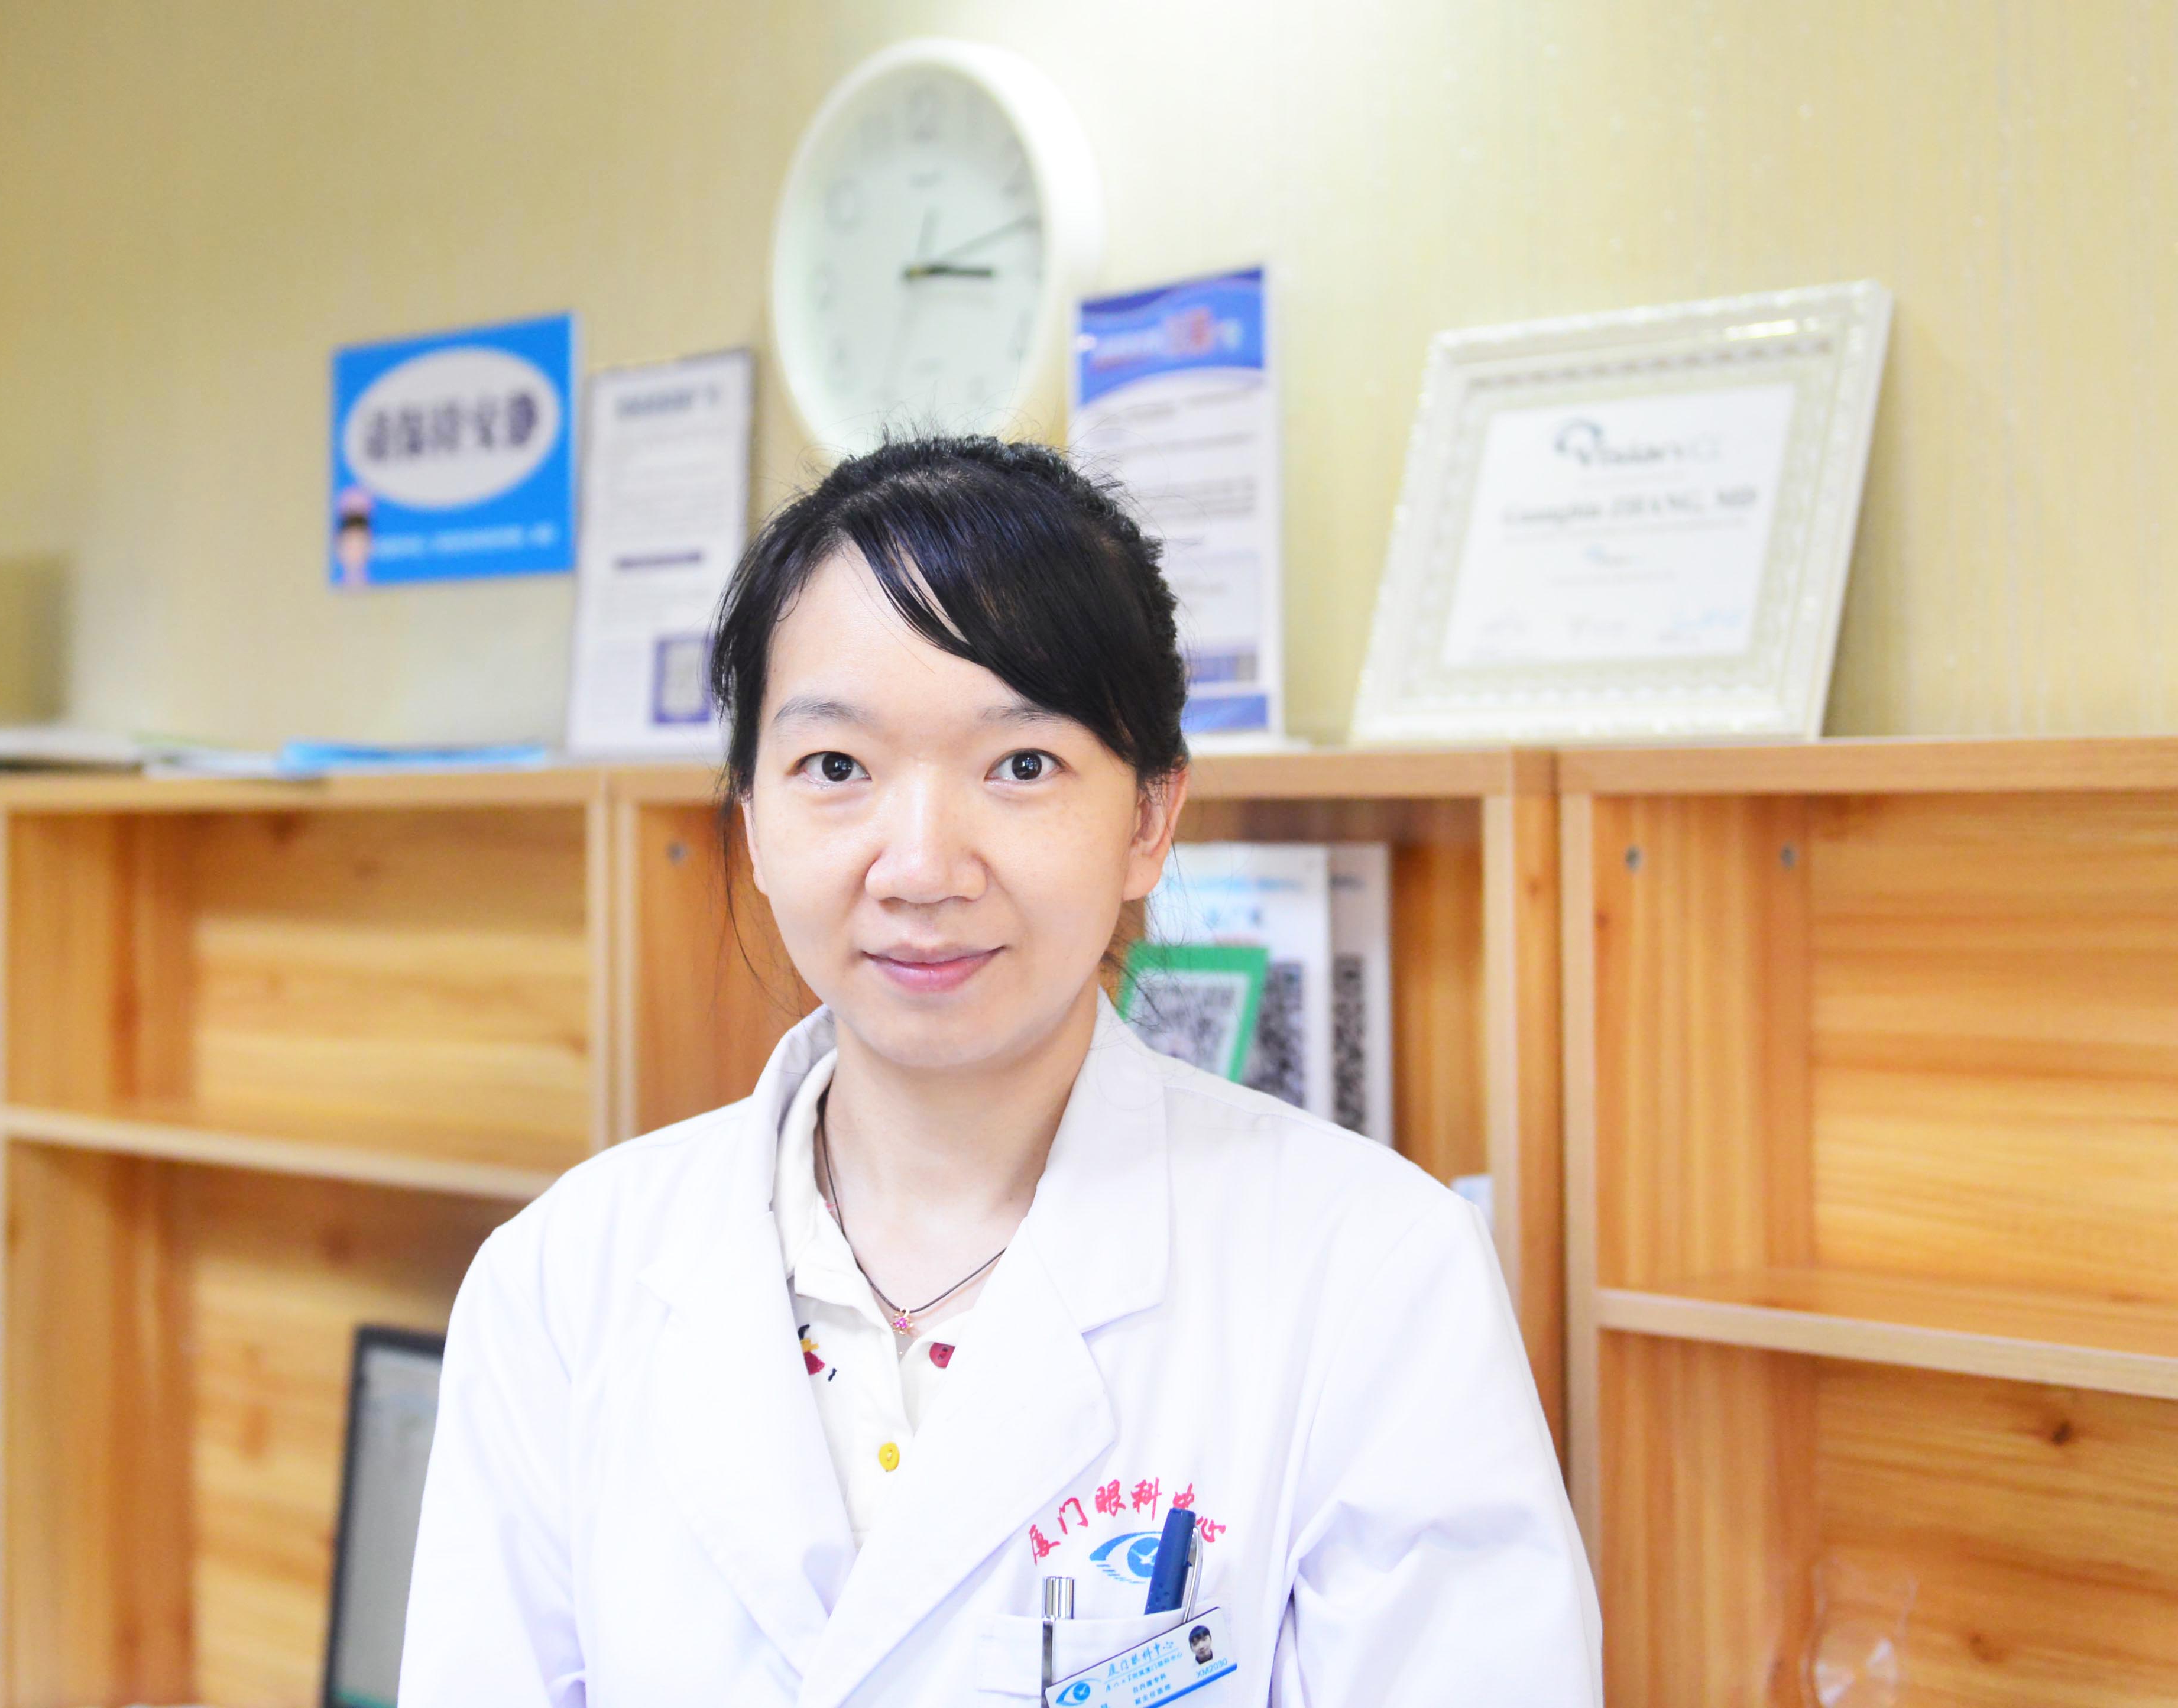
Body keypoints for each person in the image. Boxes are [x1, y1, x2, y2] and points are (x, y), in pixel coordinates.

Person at [400, 436, 1600, 1706]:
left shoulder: (1376, 1272)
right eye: (836, 768)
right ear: (751, 820)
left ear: (1148, 818)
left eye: (1021, 765)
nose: (922, 866)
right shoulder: (564, 1280)